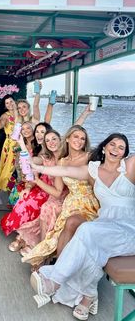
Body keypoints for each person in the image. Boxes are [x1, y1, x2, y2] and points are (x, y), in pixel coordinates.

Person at [29, 133, 134, 321]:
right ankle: (88, 296)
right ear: (104, 147)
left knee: (86, 231)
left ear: (125, 153)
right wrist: (36, 167)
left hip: (128, 229)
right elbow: (66, 171)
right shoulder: (93, 170)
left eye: (121, 147)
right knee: (90, 245)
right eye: (112, 144)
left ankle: (55, 280)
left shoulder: (129, 167)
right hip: (105, 226)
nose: (116, 149)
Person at [21, 125, 99, 269]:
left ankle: (59, 268)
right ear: (67, 139)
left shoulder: (90, 157)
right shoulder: (62, 161)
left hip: (90, 202)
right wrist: (35, 178)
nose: (79, 140)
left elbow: (99, 184)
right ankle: (54, 264)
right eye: (76, 136)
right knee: (57, 231)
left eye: (83, 138)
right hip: (71, 201)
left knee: (66, 223)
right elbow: (58, 190)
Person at [7, 130, 66, 259]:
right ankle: (25, 239)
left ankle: (41, 248)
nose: (51, 142)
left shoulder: (65, 159)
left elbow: (58, 192)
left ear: (61, 140)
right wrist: (21, 143)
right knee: (26, 198)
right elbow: (31, 160)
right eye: (47, 140)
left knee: (47, 208)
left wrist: (37, 181)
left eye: (54, 139)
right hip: (50, 191)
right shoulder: (46, 158)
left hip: (62, 195)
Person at [0, 94, 18, 191]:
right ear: (5, 105)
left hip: (23, 143)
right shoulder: (5, 115)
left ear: (15, 102)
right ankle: (9, 193)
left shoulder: (21, 112)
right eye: (7, 103)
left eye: (11, 101)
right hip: (10, 144)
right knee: (10, 168)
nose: (10, 104)